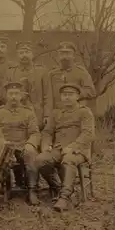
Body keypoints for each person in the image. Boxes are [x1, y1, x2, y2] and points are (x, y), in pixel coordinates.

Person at [35, 83, 95, 212]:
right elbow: (47, 132)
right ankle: (57, 186)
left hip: (79, 150)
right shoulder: (56, 113)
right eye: (64, 95)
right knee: (40, 160)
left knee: (68, 159)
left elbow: (88, 134)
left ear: (77, 96)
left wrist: (73, 147)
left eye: (70, 95)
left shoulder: (84, 112)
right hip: (58, 148)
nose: (67, 98)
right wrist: (46, 146)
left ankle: (65, 196)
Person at [0, 81, 41, 205]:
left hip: (22, 146)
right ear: (6, 95)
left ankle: (32, 190)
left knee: (30, 154)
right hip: (4, 147)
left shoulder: (28, 112)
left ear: (21, 96)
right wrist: (0, 144)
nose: (13, 96)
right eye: (11, 93)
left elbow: (35, 133)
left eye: (16, 94)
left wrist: (30, 144)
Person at [42, 41, 96, 127]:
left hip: (75, 114)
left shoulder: (81, 72)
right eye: (62, 54)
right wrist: (47, 115)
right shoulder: (52, 74)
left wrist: (74, 95)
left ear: (73, 56)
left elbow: (91, 91)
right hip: (57, 114)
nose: (65, 57)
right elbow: (48, 96)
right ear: (58, 56)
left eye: (68, 54)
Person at [5, 41, 47, 127]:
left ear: (32, 54)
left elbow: (48, 95)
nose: (24, 55)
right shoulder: (10, 72)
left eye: (27, 52)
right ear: (17, 55)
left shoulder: (41, 71)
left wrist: (47, 115)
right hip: (16, 114)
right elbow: (4, 95)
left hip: (38, 114)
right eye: (21, 53)